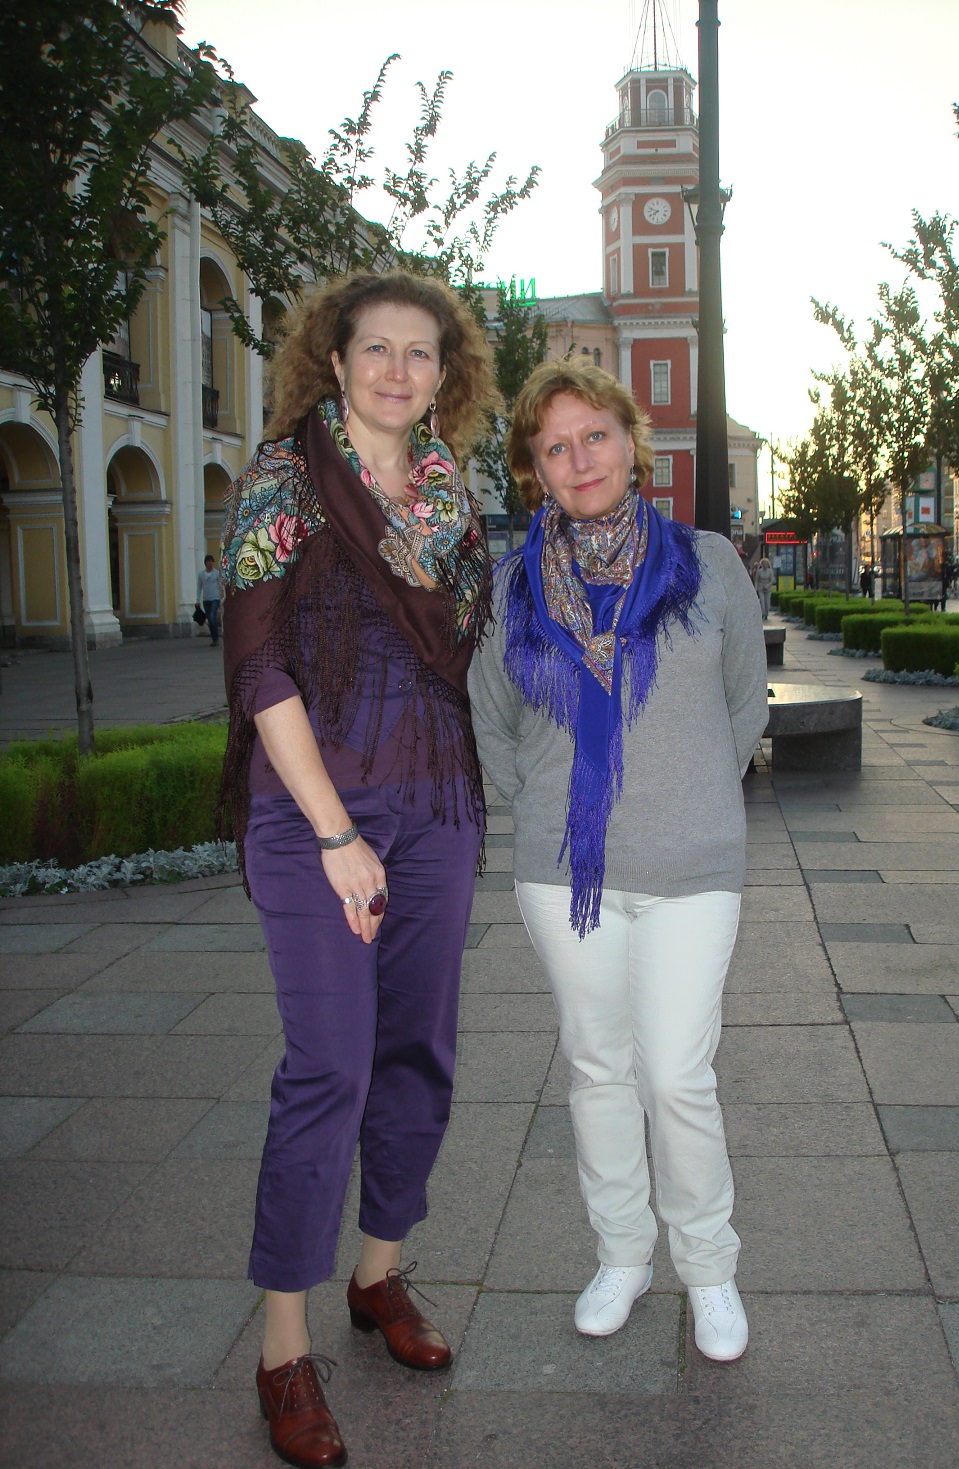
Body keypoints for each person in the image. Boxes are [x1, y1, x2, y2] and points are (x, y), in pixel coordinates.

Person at [219, 270, 496, 1469]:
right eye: (374, 348)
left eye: (418, 352)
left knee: (418, 1047)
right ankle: (282, 1348)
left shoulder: (452, 497)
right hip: (311, 807)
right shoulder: (284, 478)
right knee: (328, 1063)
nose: (396, 369)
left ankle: (378, 1272)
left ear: (445, 374)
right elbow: (258, 663)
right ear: (333, 362)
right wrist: (336, 832)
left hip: (433, 800)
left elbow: (468, 656)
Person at [468, 360, 769, 1366]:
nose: (579, 458)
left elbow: (744, 702)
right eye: (554, 446)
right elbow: (489, 716)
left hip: (692, 866)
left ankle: (709, 1267)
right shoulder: (514, 586)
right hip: (563, 874)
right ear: (534, 469)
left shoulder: (706, 563)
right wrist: (545, 806)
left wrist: (695, 793)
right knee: (597, 1065)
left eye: (594, 434)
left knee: (676, 1073)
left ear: (631, 441)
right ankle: (622, 1254)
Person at [197, 552, 221, 645]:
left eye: (211, 561)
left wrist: (221, 598)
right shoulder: (201, 575)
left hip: (215, 598)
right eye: (208, 561)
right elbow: (199, 588)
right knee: (210, 619)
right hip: (206, 599)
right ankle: (214, 637)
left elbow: (220, 586)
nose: (210, 563)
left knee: (211, 616)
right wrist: (197, 600)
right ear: (205, 563)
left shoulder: (216, 573)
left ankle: (216, 638)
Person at [753, 553, 774, 618]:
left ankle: (767, 613)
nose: (765, 565)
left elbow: (772, 580)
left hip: (768, 588)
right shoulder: (759, 571)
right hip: (761, 588)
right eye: (763, 564)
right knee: (762, 601)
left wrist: (768, 585)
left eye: (766, 564)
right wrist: (756, 588)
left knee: (767, 602)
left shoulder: (770, 571)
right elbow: (757, 580)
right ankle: (763, 613)